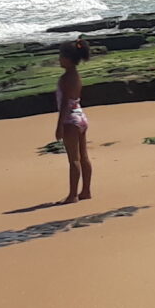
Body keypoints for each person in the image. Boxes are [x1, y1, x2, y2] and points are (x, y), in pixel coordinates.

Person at [53, 41, 93, 202]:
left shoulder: (65, 78)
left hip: (70, 119)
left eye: (61, 56)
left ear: (68, 59)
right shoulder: (76, 75)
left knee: (74, 159)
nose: (59, 59)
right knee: (84, 157)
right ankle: (86, 190)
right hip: (81, 116)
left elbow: (64, 103)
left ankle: (72, 195)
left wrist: (59, 126)